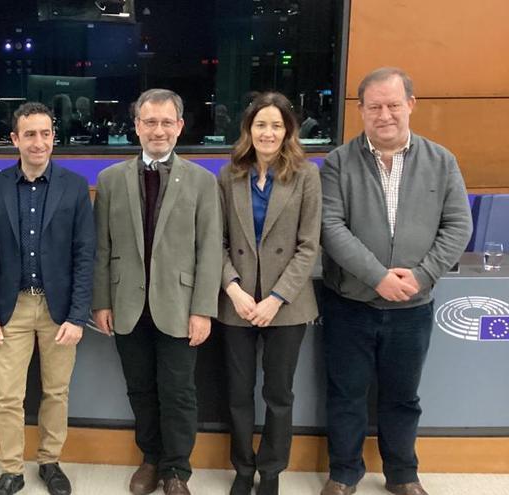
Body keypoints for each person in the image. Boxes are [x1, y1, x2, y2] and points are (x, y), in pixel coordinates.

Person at [319, 67, 472, 495]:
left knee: (403, 398)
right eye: (374, 107)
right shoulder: (337, 162)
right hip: (349, 303)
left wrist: (421, 277)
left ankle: (403, 474)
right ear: (362, 111)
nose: (384, 115)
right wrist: (377, 277)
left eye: (392, 105)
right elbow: (330, 227)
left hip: (413, 307)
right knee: (346, 395)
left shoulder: (442, 161)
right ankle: (344, 474)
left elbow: (458, 227)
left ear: (410, 104)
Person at [91, 89, 222, 495]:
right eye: (150, 122)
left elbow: (210, 249)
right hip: (127, 305)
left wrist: (203, 309)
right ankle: (150, 459)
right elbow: (102, 247)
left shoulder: (202, 181)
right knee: (141, 389)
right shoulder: (110, 179)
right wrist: (101, 302)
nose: (158, 130)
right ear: (137, 126)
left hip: (180, 307)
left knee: (179, 392)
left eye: (167, 122)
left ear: (180, 127)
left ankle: (176, 471)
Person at [0, 102, 95, 495]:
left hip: (58, 309)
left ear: (53, 138)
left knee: (56, 391)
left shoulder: (75, 186)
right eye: (30, 134)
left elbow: (84, 255)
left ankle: (50, 461)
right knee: (8, 395)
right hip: (12, 308)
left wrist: (78, 315)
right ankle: (11, 469)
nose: (39, 142)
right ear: (15, 139)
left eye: (45, 134)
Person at [217, 92, 322, 495]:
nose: (268, 132)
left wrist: (275, 298)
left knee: (279, 394)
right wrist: (234, 289)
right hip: (237, 303)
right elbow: (217, 241)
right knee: (239, 394)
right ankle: (243, 470)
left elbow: (309, 246)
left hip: (287, 305)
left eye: (277, 125)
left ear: (288, 131)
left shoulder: (307, 175)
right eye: (261, 124)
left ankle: (272, 470)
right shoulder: (229, 175)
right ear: (249, 129)